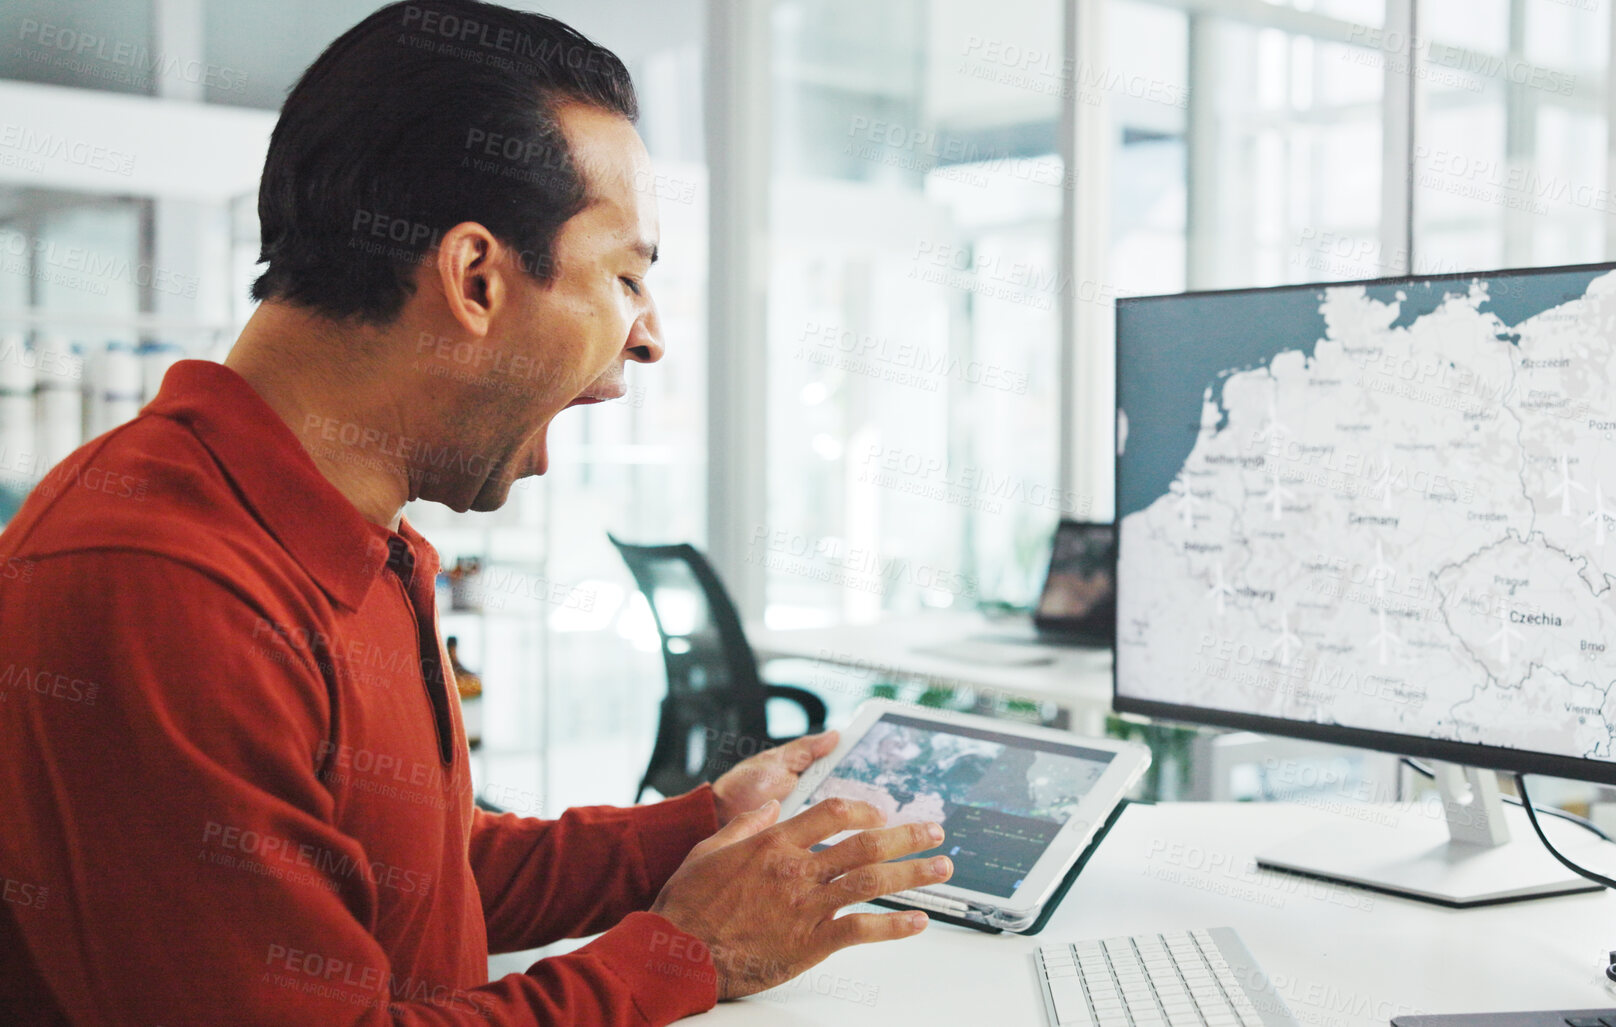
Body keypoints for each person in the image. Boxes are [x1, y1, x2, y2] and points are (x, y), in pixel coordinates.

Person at [0, 2, 951, 1023]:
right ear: (477, 278)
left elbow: (419, 869)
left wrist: (702, 825)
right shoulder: (164, 585)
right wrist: (688, 953)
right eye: (626, 276)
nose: (651, 338)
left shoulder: (365, 539)